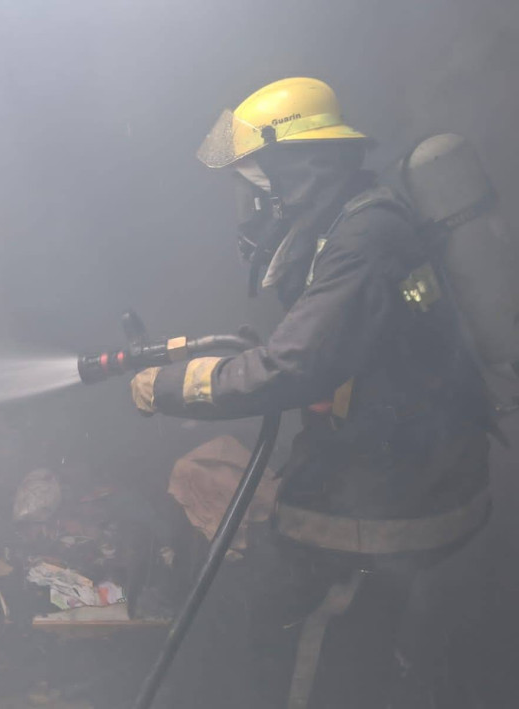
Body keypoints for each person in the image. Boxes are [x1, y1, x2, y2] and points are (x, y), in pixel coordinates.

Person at [130, 77, 492, 708]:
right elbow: (327, 348)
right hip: (403, 464)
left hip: (397, 495)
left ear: (301, 166)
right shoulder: (350, 223)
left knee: (299, 628)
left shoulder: (364, 236)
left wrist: (171, 385)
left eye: (259, 177)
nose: (252, 196)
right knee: (342, 619)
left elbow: (293, 367)